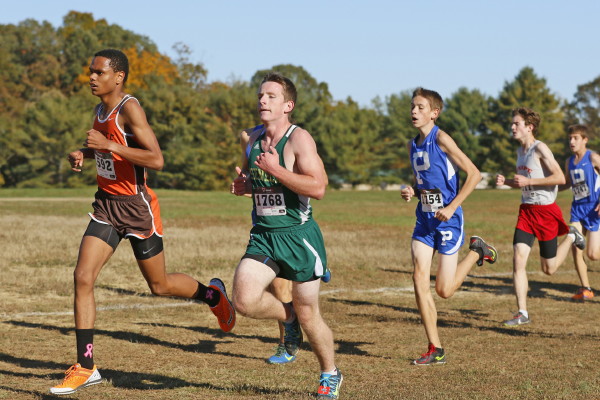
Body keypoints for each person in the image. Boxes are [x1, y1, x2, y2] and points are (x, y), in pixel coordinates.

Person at [50, 49, 235, 395]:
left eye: (99, 72)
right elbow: (108, 149)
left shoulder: (129, 108)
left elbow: (156, 159)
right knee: (83, 276)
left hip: (136, 208)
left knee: (159, 285)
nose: (91, 77)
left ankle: (213, 295)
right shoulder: (99, 109)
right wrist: (84, 152)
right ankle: (86, 366)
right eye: (90, 71)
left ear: (118, 76)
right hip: (106, 206)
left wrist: (108, 145)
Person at [230, 73, 342, 399]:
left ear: (288, 105)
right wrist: (245, 186)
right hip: (265, 235)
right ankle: (287, 317)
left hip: (299, 237)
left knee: (310, 314)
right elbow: (255, 182)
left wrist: (276, 169)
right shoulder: (252, 139)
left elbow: (318, 187)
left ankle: (330, 372)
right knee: (244, 300)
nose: (263, 101)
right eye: (260, 96)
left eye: (271, 96)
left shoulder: (299, 140)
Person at [401, 88, 498, 366]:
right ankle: (435, 348)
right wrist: (412, 191)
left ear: (434, 113)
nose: (414, 111)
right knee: (419, 278)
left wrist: (452, 206)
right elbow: (425, 182)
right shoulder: (411, 145)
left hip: (449, 220)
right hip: (424, 220)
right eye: (412, 106)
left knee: (444, 290)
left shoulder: (441, 138)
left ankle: (477, 251)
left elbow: (475, 174)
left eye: (420, 107)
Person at [496, 108, 586, 327]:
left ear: (530, 127)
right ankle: (522, 312)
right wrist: (507, 182)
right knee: (518, 259)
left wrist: (528, 182)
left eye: (516, 123)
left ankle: (572, 236)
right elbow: (523, 182)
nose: (512, 127)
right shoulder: (520, 151)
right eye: (512, 123)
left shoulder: (540, 148)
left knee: (549, 269)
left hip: (546, 212)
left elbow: (559, 178)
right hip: (527, 212)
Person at [561, 124, 598, 300]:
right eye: (570, 138)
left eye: (576, 138)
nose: (572, 141)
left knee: (593, 254)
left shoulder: (593, 158)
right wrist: (548, 188)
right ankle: (586, 289)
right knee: (576, 246)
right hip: (577, 209)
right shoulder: (569, 162)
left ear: (585, 140)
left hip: (594, 209)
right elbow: (567, 183)